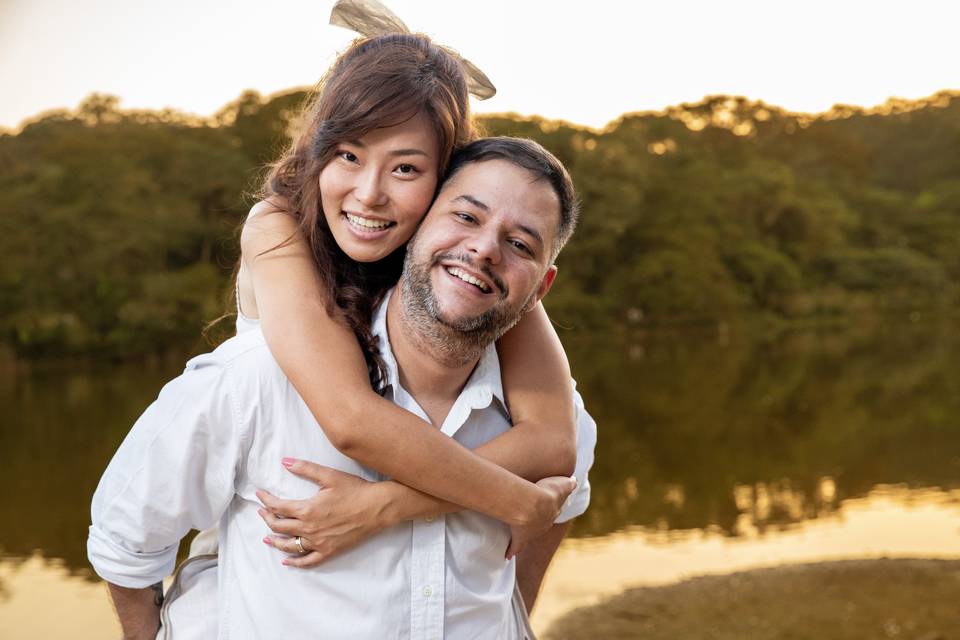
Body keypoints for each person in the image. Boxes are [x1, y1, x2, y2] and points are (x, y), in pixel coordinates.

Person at [87, 137, 596, 639]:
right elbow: (125, 542)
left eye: (520, 244)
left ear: (541, 288)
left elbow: (558, 508)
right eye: (465, 217)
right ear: (415, 226)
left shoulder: (552, 413)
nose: (484, 248)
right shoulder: (258, 380)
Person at [230, 1, 579, 562]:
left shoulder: (466, 258)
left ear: (444, 181)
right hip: (265, 521)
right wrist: (518, 500)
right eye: (348, 154)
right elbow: (350, 420)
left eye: (405, 169)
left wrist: (383, 506)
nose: (369, 193)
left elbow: (556, 438)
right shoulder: (276, 228)